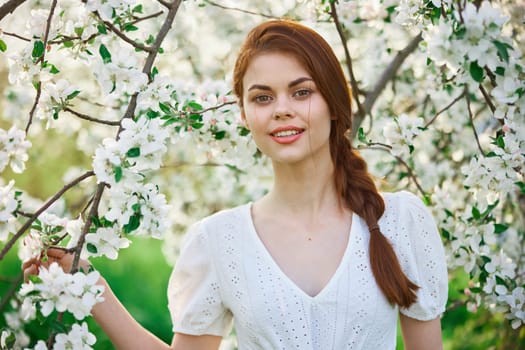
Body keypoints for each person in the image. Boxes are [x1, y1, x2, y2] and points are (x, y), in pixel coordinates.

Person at [24, 19, 448, 349]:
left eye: (301, 92)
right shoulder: (220, 240)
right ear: (245, 115)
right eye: (262, 98)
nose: (282, 110)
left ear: (334, 102)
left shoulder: (399, 222)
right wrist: (87, 284)